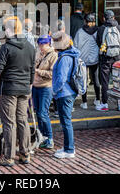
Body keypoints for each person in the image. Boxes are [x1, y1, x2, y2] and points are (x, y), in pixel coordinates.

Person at [0, 16, 35, 167]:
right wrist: (29, 83)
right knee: (22, 120)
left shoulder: (6, 47)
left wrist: (4, 75)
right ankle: (25, 154)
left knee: (9, 122)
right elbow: (32, 70)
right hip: (24, 87)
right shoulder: (30, 47)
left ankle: (9, 157)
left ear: (10, 30)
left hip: (9, 88)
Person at [51, 31, 79, 159]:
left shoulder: (64, 58)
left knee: (66, 122)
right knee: (66, 121)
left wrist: (54, 91)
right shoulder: (70, 55)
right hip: (68, 92)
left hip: (64, 93)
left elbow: (61, 79)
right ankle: (68, 147)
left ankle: (69, 149)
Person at [96, 10, 120, 112]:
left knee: (105, 82)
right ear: (114, 17)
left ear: (104, 18)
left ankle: (104, 104)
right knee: (118, 81)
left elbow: (98, 42)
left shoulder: (101, 29)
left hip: (105, 58)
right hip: (117, 58)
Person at [32, 34, 58, 149]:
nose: (41, 47)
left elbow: (53, 74)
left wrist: (38, 71)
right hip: (35, 86)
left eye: (43, 44)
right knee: (38, 112)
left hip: (46, 87)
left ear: (49, 44)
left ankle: (49, 138)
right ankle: (41, 136)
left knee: (43, 113)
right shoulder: (38, 53)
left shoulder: (53, 56)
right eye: (40, 44)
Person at [73, 13, 101, 109]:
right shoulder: (98, 31)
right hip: (95, 59)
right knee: (96, 79)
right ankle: (98, 100)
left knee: (83, 80)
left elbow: (75, 46)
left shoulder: (80, 32)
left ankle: (84, 103)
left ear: (85, 21)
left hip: (83, 59)